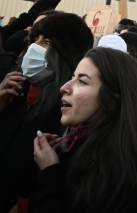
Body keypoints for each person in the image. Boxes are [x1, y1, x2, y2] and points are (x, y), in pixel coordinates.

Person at [33, 47, 137, 213]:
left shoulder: (122, 167)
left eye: (82, 81)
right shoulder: (76, 140)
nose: (64, 87)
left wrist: (50, 172)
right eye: (73, 77)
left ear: (112, 99)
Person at [0, 11, 94, 213]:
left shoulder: (69, 114)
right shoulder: (14, 92)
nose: (34, 46)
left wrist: (25, 207)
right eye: (35, 39)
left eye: (47, 42)